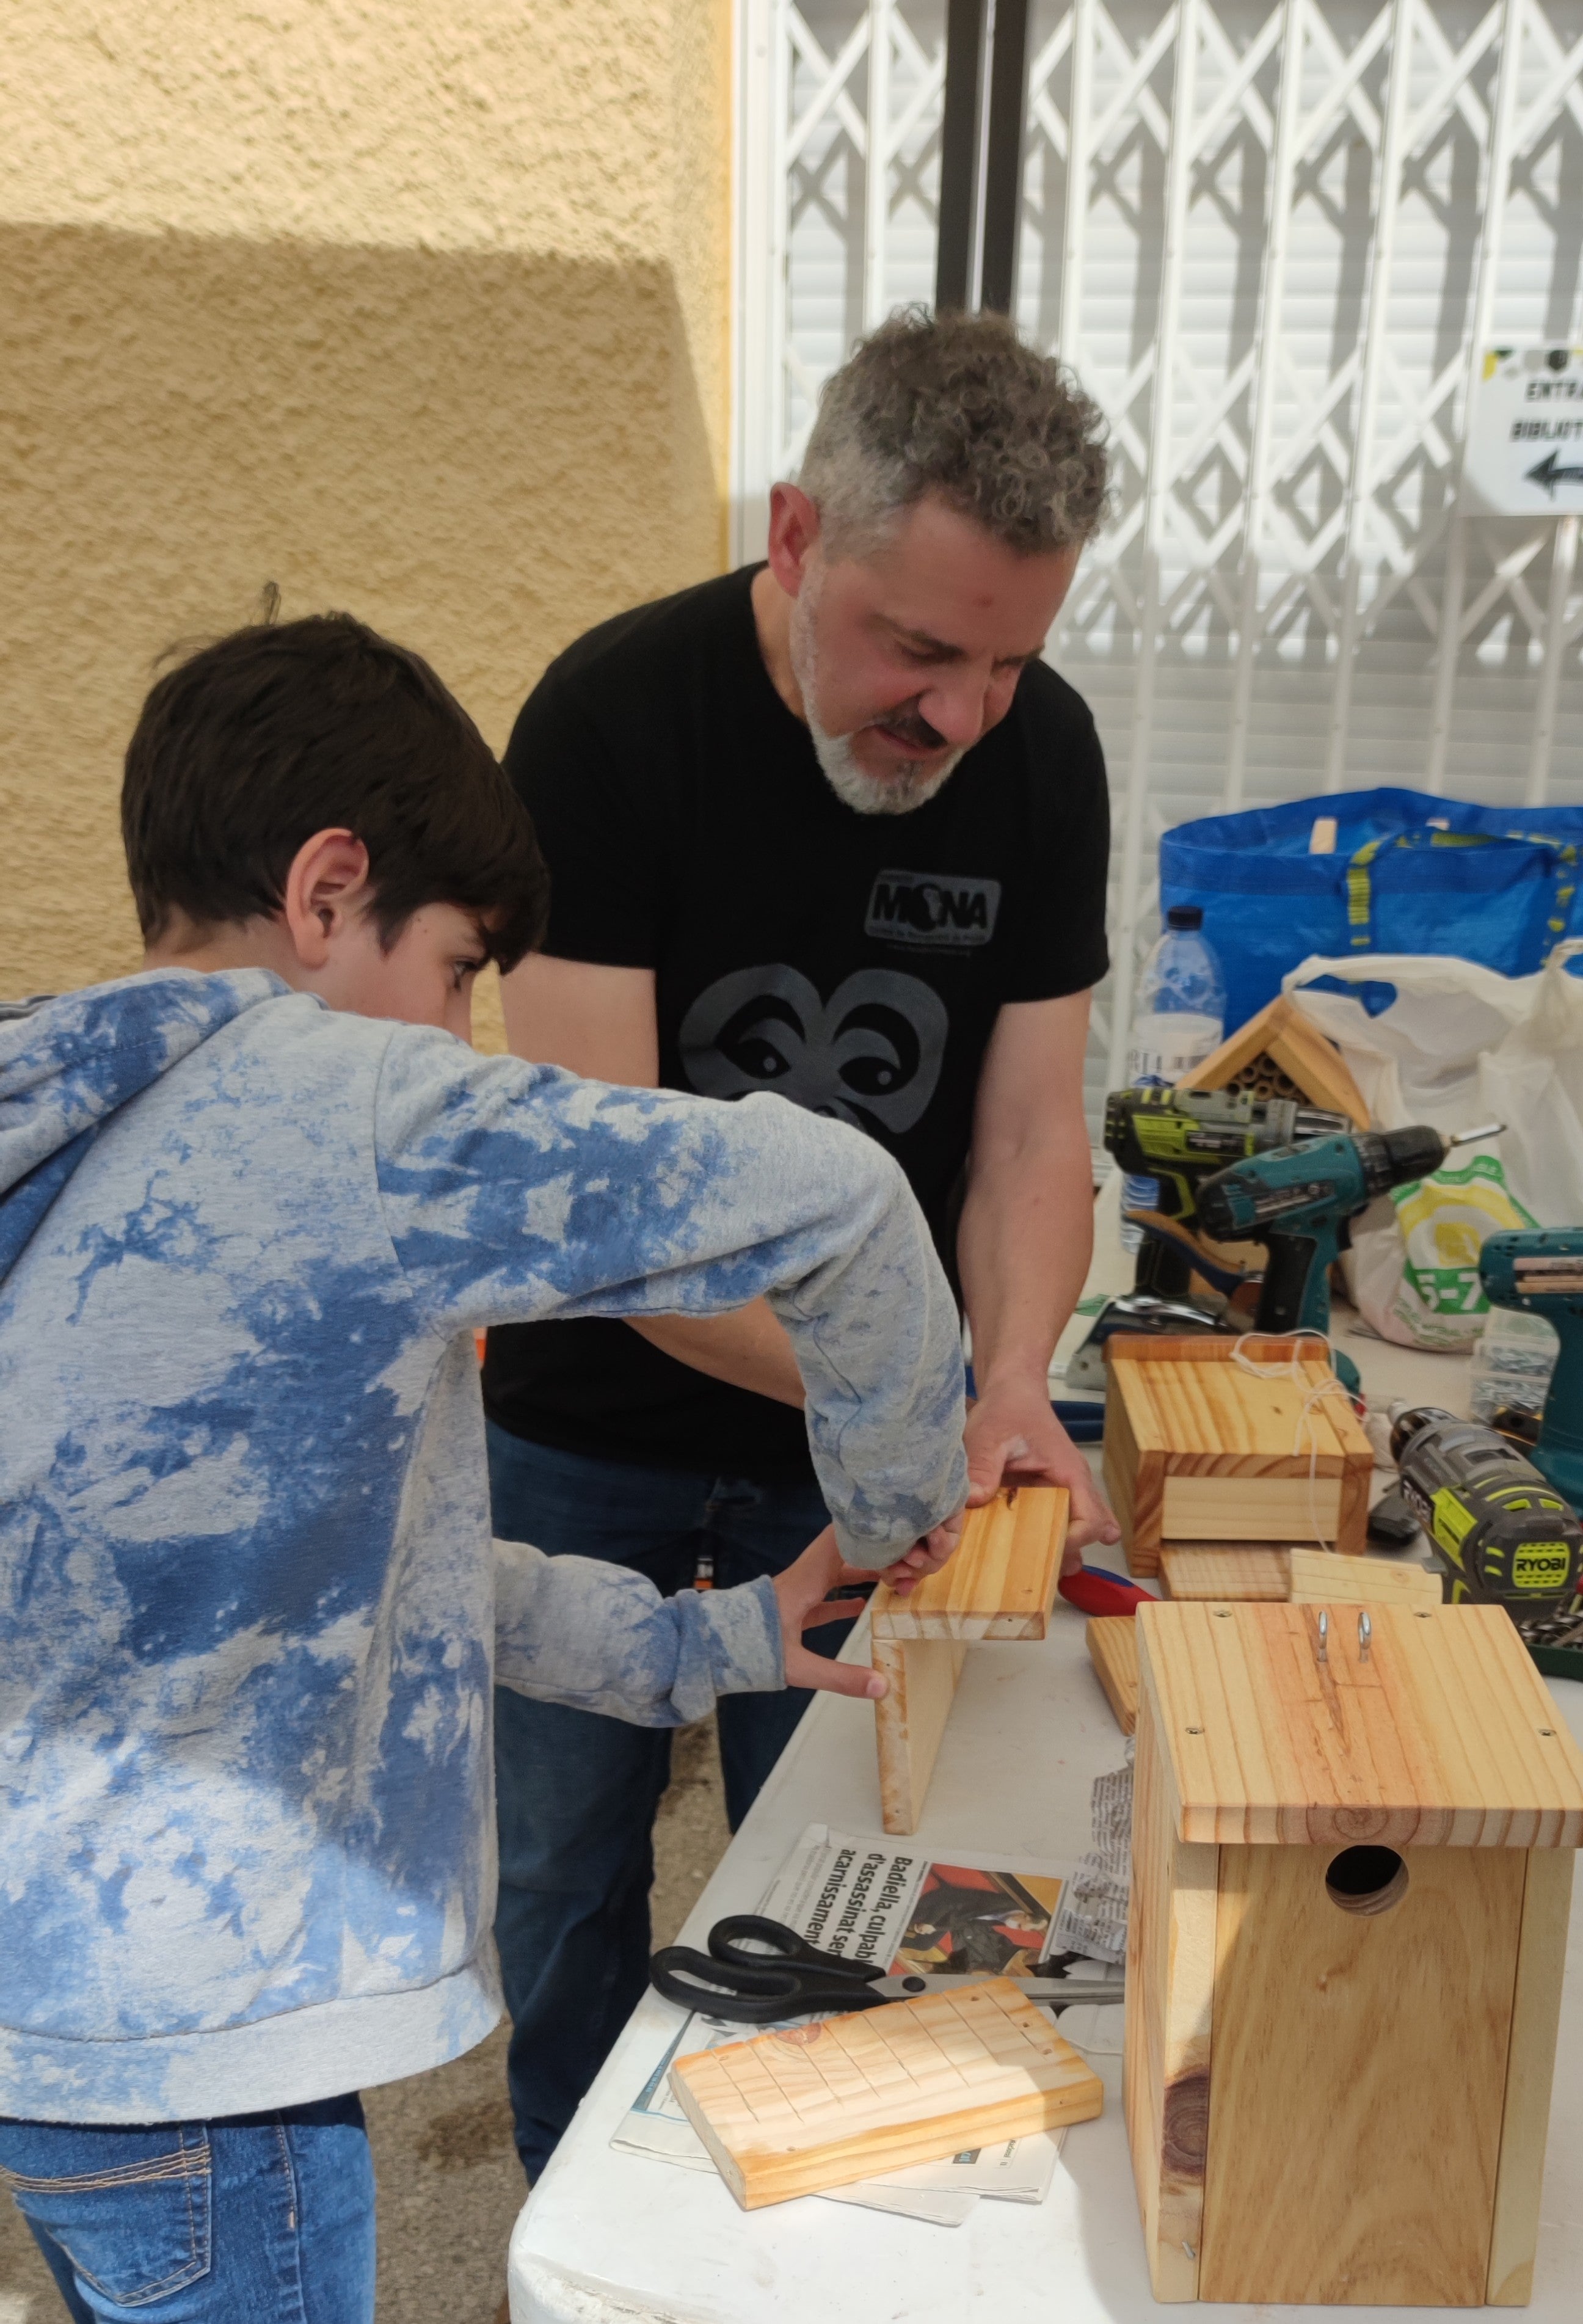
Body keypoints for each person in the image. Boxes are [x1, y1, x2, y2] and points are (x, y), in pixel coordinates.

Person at [0, 612, 969, 2322]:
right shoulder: (346, 1107)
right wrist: (908, 1517)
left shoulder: (61, 1117)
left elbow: (367, 1579)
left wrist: (708, 1640)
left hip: (56, 2032)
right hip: (214, 2057)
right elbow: (847, 1202)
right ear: (324, 894)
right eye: (458, 969)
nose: (459, 1030)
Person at [484, 305, 1121, 2180]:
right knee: (561, 1875)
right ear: (794, 538)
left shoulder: (1043, 758)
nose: (961, 717)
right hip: (586, 1430)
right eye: (918, 649)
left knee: (839, 1863)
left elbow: (1023, 1137)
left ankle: (763, 2236)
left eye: (1011, 661)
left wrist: (1006, 1379)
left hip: (858, 1443)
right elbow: (625, 1228)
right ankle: (567, 2229)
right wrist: (925, 1393)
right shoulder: (608, 722)